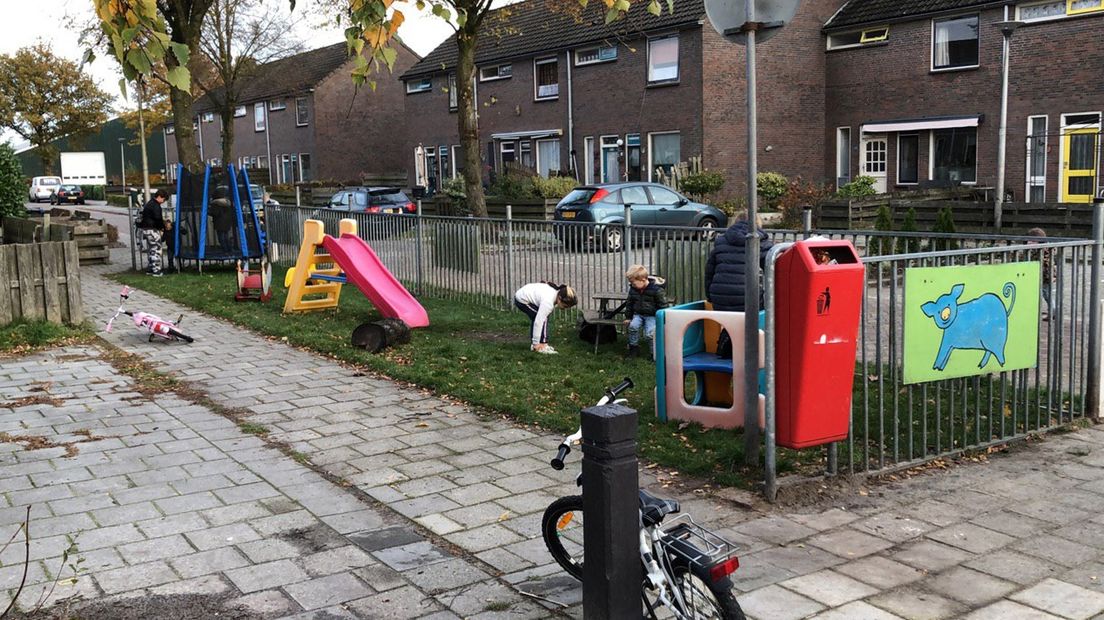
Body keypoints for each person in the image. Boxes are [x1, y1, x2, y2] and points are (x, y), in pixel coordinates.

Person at [704, 209, 774, 357]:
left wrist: (710, 296)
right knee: (757, 317)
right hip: (746, 297)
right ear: (757, 224)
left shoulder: (721, 240)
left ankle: (726, 344)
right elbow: (772, 269)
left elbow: (709, 271)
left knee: (732, 323)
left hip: (720, 297)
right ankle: (749, 352)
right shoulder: (760, 242)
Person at [514, 282, 578, 354]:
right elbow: (538, 322)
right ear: (559, 299)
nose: (565, 309)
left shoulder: (555, 293)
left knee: (542, 317)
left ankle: (541, 344)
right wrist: (536, 343)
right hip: (522, 300)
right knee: (540, 319)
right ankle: (538, 346)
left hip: (524, 293)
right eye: (565, 306)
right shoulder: (548, 303)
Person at [622, 264, 670, 359]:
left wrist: (663, 318)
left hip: (652, 315)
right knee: (633, 327)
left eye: (634, 283)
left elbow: (663, 305)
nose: (632, 285)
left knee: (650, 334)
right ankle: (633, 349)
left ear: (643, 280)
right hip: (638, 314)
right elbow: (629, 303)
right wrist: (628, 317)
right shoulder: (633, 289)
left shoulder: (656, 290)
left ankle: (654, 354)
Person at [137, 189, 171, 277]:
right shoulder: (156, 206)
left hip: (146, 229)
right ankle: (156, 270)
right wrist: (162, 228)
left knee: (152, 249)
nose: (163, 202)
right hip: (152, 229)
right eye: (163, 199)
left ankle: (151, 269)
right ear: (160, 197)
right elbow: (158, 219)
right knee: (156, 249)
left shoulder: (149, 203)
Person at [1027, 227, 1053, 319]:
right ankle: (1052, 311)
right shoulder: (1046, 249)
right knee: (1045, 294)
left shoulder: (1042, 251)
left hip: (1044, 276)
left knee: (1045, 294)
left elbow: (1043, 264)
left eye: (1031, 241)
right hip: (1044, 275)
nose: (1028, 243)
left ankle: (1052, 311)